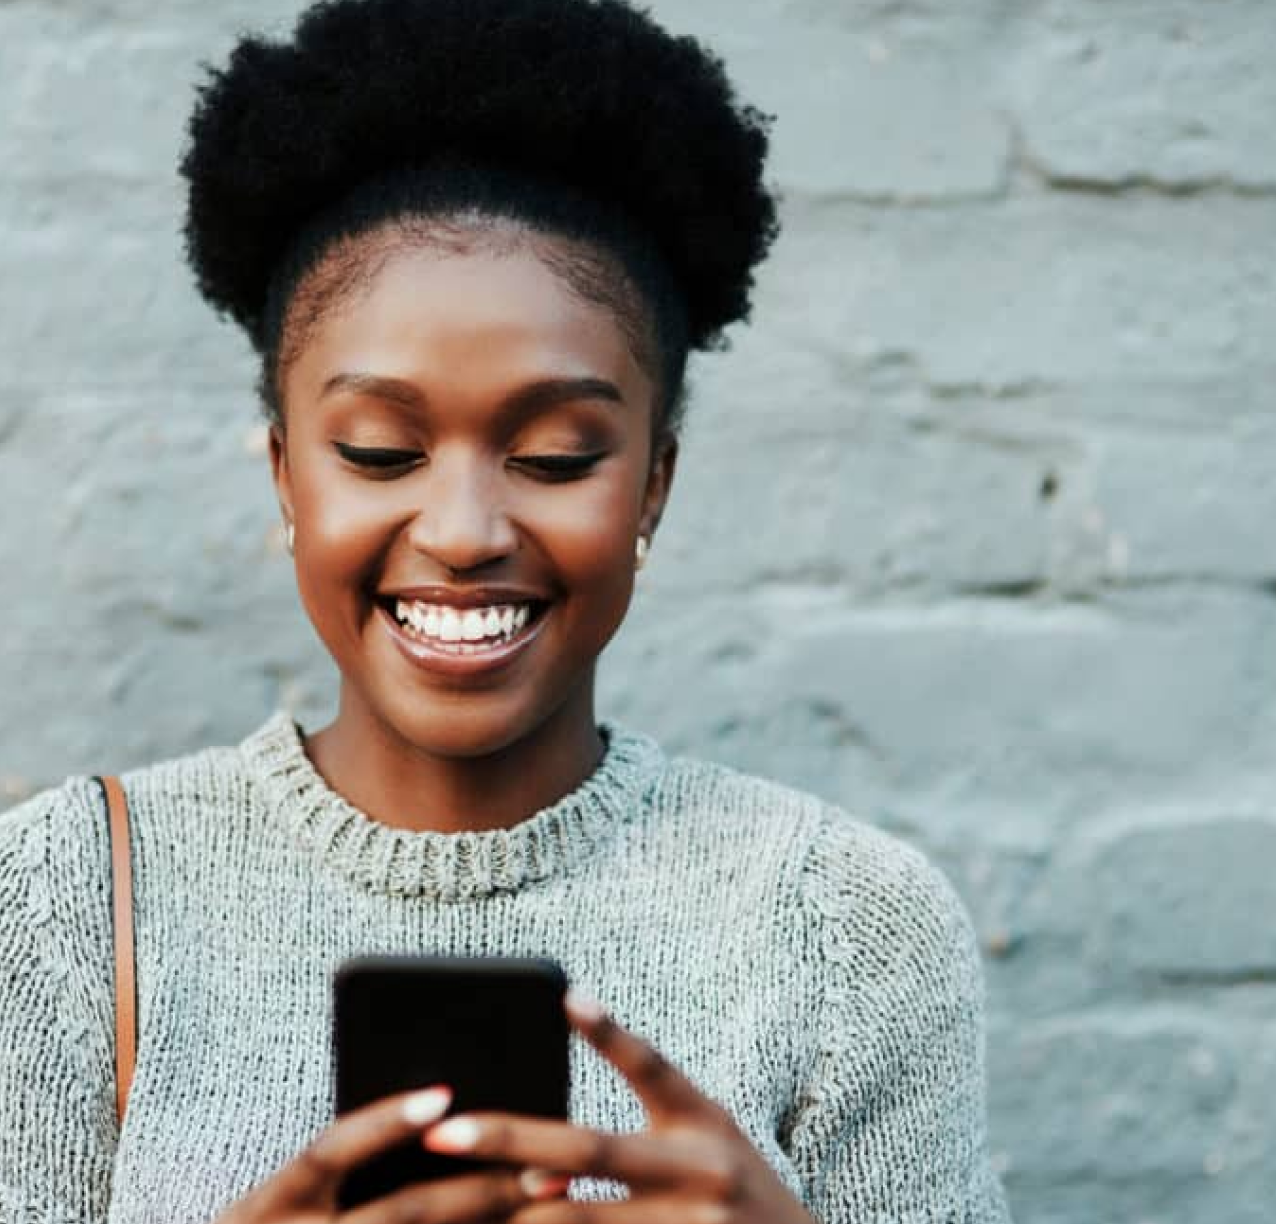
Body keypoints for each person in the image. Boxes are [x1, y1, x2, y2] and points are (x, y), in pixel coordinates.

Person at [0, 1, 1010, 1221]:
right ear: (285, 475)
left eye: (554, 455)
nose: (465, 532)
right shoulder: (63, 900)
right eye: (378, 452)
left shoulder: (850, 924)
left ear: (653, 483)